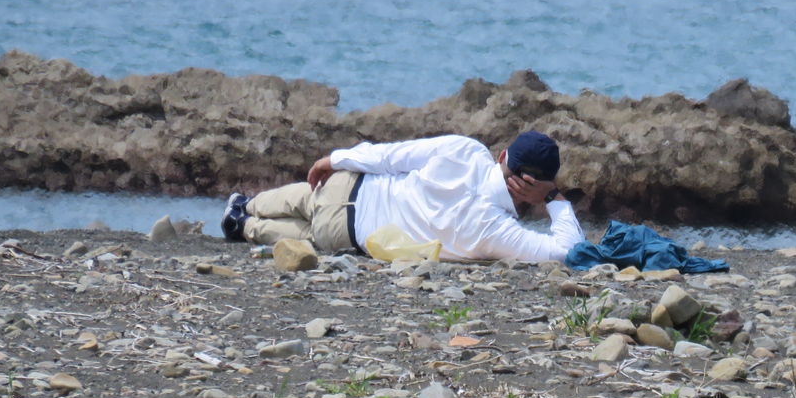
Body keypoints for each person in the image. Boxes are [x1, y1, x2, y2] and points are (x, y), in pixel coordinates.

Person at [220, 131, 584, 263]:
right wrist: (554, 198)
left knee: (306, 198)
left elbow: (391, 156)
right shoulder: (494, 229)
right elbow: (566, 251)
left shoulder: (465, 150)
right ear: (537, 187)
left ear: (502, 155)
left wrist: (335, 159)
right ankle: (244, 225)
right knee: (308, 237)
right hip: (347, 233)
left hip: (352, 185)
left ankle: (245, 204)